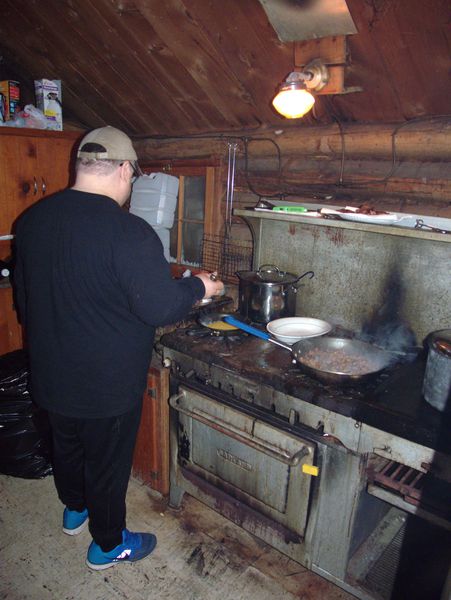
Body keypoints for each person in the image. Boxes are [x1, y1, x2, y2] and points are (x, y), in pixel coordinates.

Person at [13, 125, 224, 570]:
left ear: (81, 166)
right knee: (106, 465)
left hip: (51, 373)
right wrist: (200, 287)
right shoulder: (130, 232)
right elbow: (158, 308)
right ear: (126, 170)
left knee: (66, 448)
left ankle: (74, 510)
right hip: (106, 385)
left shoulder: (31, 221)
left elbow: (25, 301)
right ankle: (108, 544)